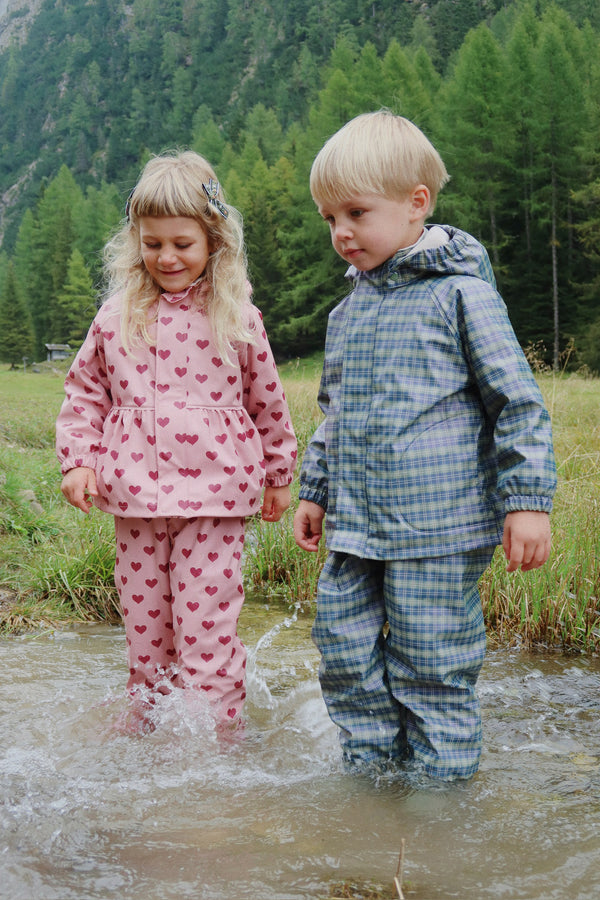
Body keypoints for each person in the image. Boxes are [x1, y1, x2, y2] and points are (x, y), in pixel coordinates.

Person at [293, 111, 556, 781]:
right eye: (330, 219)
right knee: (344, 654)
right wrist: (315, 489)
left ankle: (438, 799)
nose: (341, 232)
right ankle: (372, 783)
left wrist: (527, 502)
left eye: (356, 212)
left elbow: (516, 402)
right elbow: (335, 411)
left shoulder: (462, 295)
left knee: (431, 665)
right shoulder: (348, 311)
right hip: (356, 525)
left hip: (438, 526)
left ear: (416, 203)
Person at [57, 150, 297, 729]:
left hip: (216, 497)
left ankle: (215, 750)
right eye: (153, 243)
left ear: (214, 240)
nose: (166, 257)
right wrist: (78, 461)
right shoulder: (115, 317)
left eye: (182, 244)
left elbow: (267, 398)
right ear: (135, 241)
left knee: (205, 631)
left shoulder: (237, 315)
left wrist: (278, 474)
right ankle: (148, 744)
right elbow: (86, 394)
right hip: (136, 496)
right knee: (146, 637)